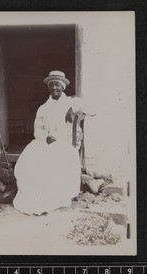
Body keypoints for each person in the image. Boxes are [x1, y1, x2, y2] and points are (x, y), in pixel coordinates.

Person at [13, 71, 87, 215]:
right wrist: (46, 137)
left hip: (64, 141)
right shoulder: (43, 108)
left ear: (63, 87)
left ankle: (54, 196)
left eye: (57, 84)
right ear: (48, 88)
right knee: (31, 155)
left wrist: (73, 109)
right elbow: (37, 130)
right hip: (46, 140)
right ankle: (31, 195)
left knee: (54, 156)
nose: (54, 87)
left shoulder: (71, 102)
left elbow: (88, 108)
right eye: (51, 84)